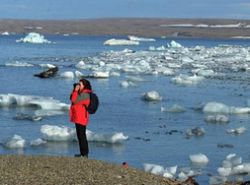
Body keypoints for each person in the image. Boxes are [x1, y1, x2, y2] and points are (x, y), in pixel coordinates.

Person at [69, 79, 92, 158]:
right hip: (78, 117)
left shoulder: (85, 94)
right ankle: (82, 153)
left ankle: (85, 154)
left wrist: (75, 91)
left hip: (82, 117)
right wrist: (74, 90)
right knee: (79, 135)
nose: (78, 85)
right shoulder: (81, 93)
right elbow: (71, 98)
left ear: (84, 85)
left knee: (82, 136)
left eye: (80, 84)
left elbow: (74, 100)